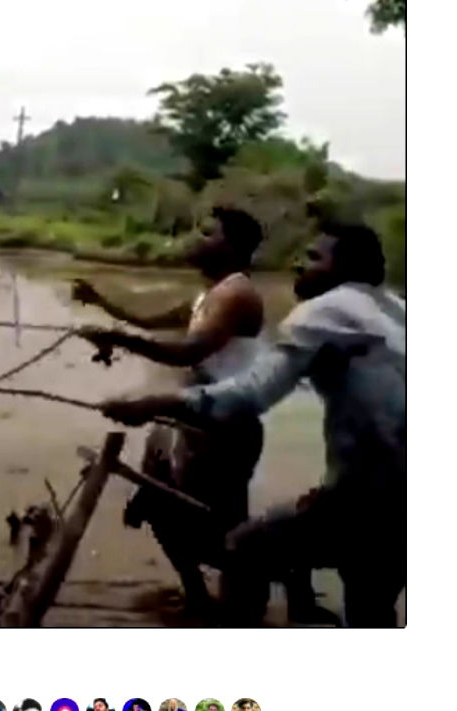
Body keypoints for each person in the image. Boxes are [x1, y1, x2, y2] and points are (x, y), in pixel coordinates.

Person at [101, 222, 406, 628]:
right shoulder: (397, 309)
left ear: (344, 268)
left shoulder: (323, 311)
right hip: (392, 490)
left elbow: (251, 393)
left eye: (314, 257)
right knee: (371, 604)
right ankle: (302, 603)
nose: (298, 263)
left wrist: (157, 403)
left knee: (245, 547)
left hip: (365, 491)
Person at [75, 207, 272, 614]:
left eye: (209, 233)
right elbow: (148, 320)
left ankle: (268, 583)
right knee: (155, 507)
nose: (197, 239)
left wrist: (118, 338)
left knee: (215, 529)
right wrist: (101, 303)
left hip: (222, 429)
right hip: (190, 421)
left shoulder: (237, 294)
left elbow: (188, 351)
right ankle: (199, 596)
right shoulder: (209, 295)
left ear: (233, 247)